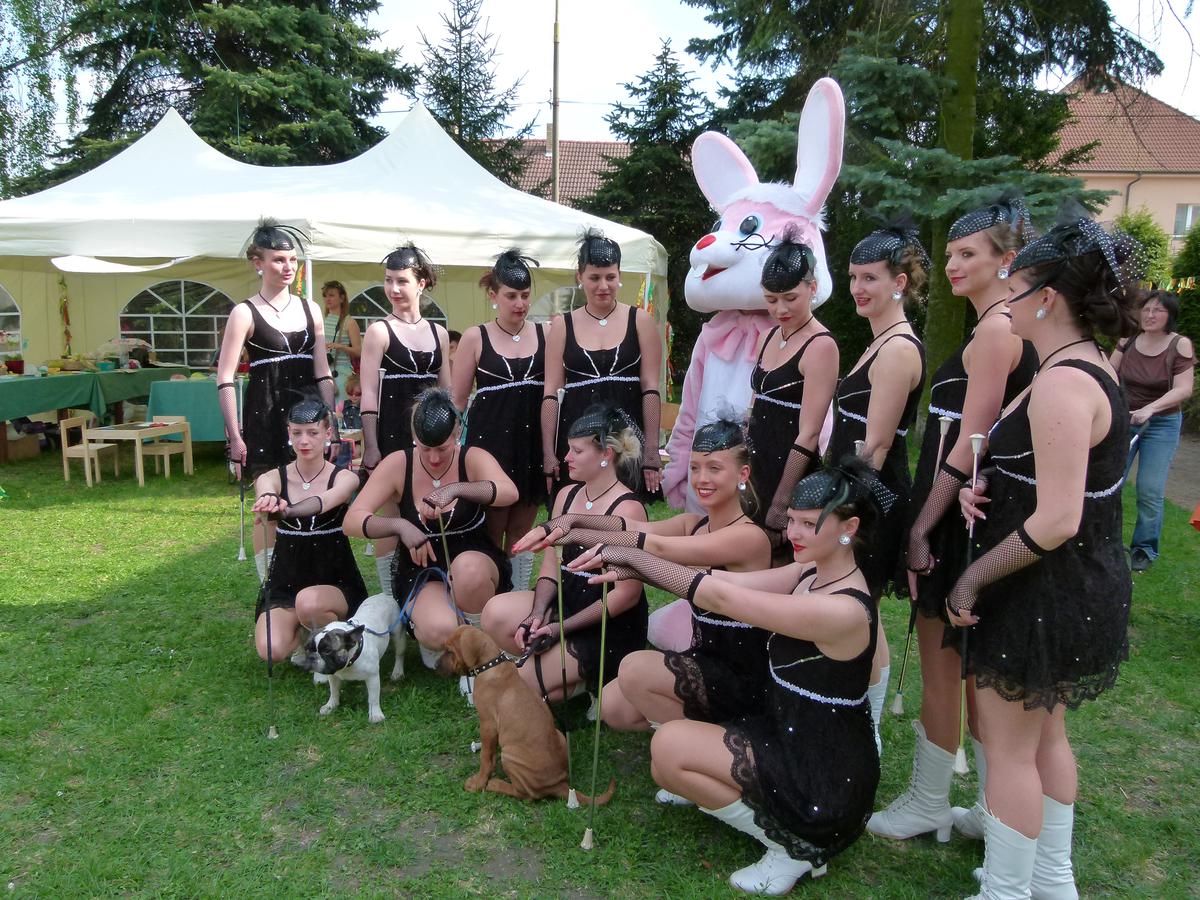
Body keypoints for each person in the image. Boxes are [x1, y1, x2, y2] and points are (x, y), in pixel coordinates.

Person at [572, 457, 891, 894]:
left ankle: (794, 848)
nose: (792, 533)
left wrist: (633, 556)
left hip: (821, 772)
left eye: (808, 523)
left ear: (848, 528)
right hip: (782, 731)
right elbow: (720, 583)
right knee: (666, 759)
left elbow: (722, 598)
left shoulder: (843, 609)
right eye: (792, 520)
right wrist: (636, 564)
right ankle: (776, 827)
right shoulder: (808, 572)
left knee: (669, 749)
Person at [948, 214, 1141, 898]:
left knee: (1010, 751)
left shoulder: (1063, 382)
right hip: (1070, 584)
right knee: (1045, 735)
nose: (1007, 296)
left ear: (1048, 298)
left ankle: (1008, 890)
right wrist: (987, 485)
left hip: (1044, 589)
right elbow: (1050, 479)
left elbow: (1059, 518)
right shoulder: (1075, 365)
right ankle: (1052, 880)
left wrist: (972, 578)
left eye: (1016, 285)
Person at [868, 193, 1039, 845]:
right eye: (949, 255)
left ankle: (930, 801)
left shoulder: (996, 330)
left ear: (1006, 259)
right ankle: (990, 810)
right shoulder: (995, 326)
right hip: (962, 513)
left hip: (955, 521)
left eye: (968, 254)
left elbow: (972, 444)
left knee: (946, 668)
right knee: (966, 672)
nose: (952, 265)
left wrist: (919, 528)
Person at [518, 417, 772, 738]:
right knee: (614, 706)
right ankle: (698, 730)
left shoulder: (750, 537)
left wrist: (601, 545)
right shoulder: (693, 524)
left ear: (742, 474)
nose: (701, 479)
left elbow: (657, 546)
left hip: (739, 673)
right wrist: (566, 523)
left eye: (714, 468)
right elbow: (632, 527)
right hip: (702, 655)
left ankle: (709, 740)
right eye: (695, 468)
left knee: (635, 674)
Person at [832, 218, 928, 755]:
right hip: (855, 493)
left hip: (873, 499)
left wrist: (835, 510)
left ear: (900, 282)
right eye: (853, 277)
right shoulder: (880, 341)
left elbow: (876, 449)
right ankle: (859, 715)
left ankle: (864, 724)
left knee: (859, 609)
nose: (858, 288)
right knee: (859, 608)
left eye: (870, 277)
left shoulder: (896, 350)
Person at [483, 405, 648, 703]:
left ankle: (589, 680)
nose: (566, 458)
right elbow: (550, 563)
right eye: (568, 449)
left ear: (606, 454)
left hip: (607, 621)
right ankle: (568, 679)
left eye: (577, 451)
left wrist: (560, 629)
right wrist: (537, 614)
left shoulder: (628, 509)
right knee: (494, 614)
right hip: (566, 599)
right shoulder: (566, 495)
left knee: (522, 685)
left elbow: (626, 596)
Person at [344, 389, 516, 670]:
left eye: (443, 448)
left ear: (457, 434)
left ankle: (479, 653)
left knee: (468, 570)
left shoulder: (472, 457)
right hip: (423, 569)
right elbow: (352, 520)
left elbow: (509, 492)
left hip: (474, 559)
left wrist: (456, 489)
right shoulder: (399, 463)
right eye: (425, 448)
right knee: (440, 630)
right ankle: (447, 635)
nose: (434, 458)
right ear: (414, 437)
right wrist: (400, 526)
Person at [217, 219, 337, 579]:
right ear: (258, 263)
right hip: (265, 419)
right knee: (268, 506)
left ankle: (307, 578)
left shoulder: (311, 309)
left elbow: (323, 372)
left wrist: (330, 422)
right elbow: (225, 378)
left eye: (292, 259)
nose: (288, 267)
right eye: (278, 260)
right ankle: (271, 588)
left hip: (308, 420)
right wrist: (235, 436)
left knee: (308, 497)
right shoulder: (244, 312)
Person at [358, 243, 452, 600]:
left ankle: (428, 585)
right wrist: (371, 446)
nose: (393, 289)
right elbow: (368, 392)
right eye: (388, 281)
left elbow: (448, 393)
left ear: (421, 283)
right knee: (392, 512)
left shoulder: (439, 334)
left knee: (428, 506)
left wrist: (454, 436)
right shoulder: (379, 331)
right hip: (393, 432)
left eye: (402, 281)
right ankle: (389, 597)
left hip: (431, 435)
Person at [541, 229, 664, 499]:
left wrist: (652, 449)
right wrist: (549, 452)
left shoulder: (640, 321)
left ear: (620, 275)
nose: (603, 286)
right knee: (576, 507)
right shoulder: (562, 326)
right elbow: (551, 392)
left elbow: (650, 387)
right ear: (580, 277)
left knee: (626, 510)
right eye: (594, 278)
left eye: (610, 277)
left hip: (626, 440)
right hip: (578, 437)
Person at [453, 250, 547, 592]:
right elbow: (457, 401)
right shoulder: (475, 337)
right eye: (511, 296)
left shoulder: (546, 334)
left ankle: (518, 597)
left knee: (522, 530)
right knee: (491, 528)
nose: (520, 304)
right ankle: (491, 596)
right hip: (490, 446)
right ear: (493, 295)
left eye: (525, 295)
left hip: (531, 444)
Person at [251, 397, 367, 661]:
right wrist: (268, 500)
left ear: (328, 433)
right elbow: (265, 488)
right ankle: (304, 633)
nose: (304, 441)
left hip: (334, 582)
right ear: (288, 433)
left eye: (313, 433)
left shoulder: (344, 478)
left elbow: (324, 501)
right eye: (297, 433)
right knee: (271, 650)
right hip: (287, 583)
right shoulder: (273, 477)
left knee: (310, 604)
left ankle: (324, 630)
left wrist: (288, 511)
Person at [747, 231, 839, 540]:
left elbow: (810, 433)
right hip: (755, 463)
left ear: (812, 288)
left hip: (790, 469)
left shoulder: (821, 345)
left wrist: (781, 501)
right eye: (771, 300)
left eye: (790, 298)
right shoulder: (767, 336)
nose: (780, 310)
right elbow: (754, 405)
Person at [1111, 290, 1195, 572]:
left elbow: (1184, 389)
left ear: (1170, 315)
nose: (1149, 315)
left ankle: (1144, 549)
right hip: (1125, 420)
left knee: (1149, 488)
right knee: (1111, 482)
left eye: (1157, 310)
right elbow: (1108, 372)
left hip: (1161, 424)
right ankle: (1107, 541)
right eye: (1146, 309)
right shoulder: (1128, 339)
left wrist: (1151, 409)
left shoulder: (1180, 345)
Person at [321, 280, 362, 399]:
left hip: (341, 373)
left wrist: (340, 346)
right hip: (323, 371)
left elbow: (358, 352)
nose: (327, 299)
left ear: (342, 298)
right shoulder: (321, 320)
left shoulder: (349, 322)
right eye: (325, 295)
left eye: (331, 295)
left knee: (341, 408)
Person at [335, 374, 362, 467]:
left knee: (356, 453)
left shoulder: (365, 406)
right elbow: (334, 416)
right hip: (345, 438)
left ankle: (355, 472)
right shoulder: (343, 404)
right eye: (350, 393)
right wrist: (337, 415)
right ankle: (341, 470)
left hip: (359, 439)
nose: (354, 396)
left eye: (358, 394)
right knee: (341, 454)